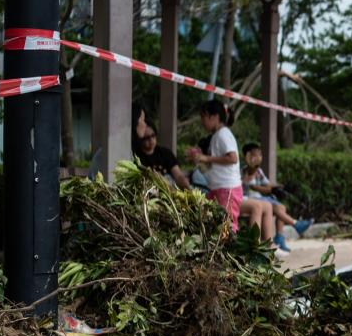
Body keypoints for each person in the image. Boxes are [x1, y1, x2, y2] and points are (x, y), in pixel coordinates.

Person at [188, 100, 244, 233]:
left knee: (228, 227)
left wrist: (206, 158)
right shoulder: (218, 135)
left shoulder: (223, 134)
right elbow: (217, 163)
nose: (202, 121)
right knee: (221, 226)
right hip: (220, 189)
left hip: (227, 189)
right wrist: (199, 158)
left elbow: (232, 158)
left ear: (214, 117)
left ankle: (233, 252)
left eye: (203, 117)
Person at [241, 142, 313, 241]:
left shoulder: (259, 171)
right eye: (255, 154)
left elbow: (267, 184)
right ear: (247, 156)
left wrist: (283, 186)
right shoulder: (244, 171)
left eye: (260, 154)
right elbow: (253, 187)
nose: (258, 157)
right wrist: (272, 190)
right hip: (250, 199)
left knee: (281, 207)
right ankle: (295, 225)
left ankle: (280, 238)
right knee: (272, 206)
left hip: (259, 198)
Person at [134, 123, 191, 190]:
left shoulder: (165, 153)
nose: (151, 140)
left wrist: (185, 184)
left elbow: (178, 175)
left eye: (153, 135)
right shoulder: (137, 157)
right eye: (147, 138)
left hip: (172, 189)